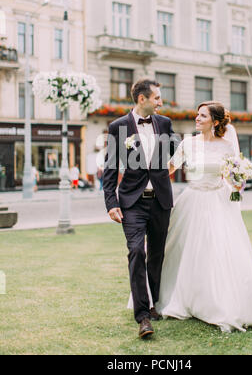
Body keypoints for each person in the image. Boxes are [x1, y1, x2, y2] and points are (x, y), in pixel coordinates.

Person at [154, 101, 252, 333]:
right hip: (192, 201)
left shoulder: (226, 145)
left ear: (215, 122)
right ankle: (183, 297)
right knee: (184, 250)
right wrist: (144, 177)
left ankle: (216, 302)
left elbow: (233, 176)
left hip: (218, 201)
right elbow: (170, 168)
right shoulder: (188, 143)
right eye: (197, 115)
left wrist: (237, 181)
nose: (197, 118)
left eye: (202, 116)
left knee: (216, 251)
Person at [103, 78, 179, 339]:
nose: (161, 102)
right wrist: (111, 204)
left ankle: (155, 303)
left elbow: (177, 153)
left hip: (160, 201)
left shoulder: (165, 123)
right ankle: (143, 316)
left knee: (156, 254)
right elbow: (111, 168)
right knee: (137, 251)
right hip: (132, 203)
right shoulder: (118, 127)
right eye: (157, 97)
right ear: (142, 99)